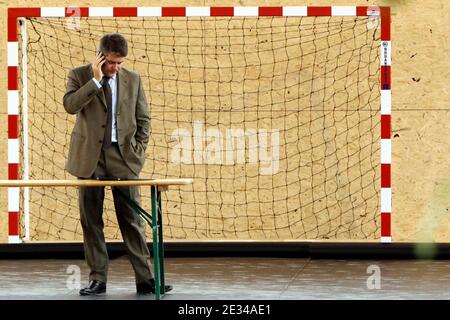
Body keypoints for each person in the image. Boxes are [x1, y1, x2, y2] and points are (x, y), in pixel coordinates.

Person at [63, 32, 172, 295]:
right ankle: (98, 279)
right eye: (111, 62)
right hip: (89, 159)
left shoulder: (133, 79)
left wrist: (138, 151)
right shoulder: (79, 75)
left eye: (119, 63)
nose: (115, 68)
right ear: (100, 57)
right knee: (91, 220)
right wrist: (95, 81)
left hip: (123, 159)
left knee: (132, 219)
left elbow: (143, 119)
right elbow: (70, 105)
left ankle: (145, 279)